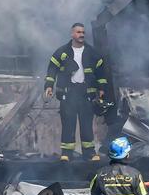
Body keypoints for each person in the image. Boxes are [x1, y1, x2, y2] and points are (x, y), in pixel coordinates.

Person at [44, 23, 109, 161]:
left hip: (86, 93)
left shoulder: (92, 53)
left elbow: (101, 72)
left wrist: (102, 89)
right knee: (68, 123)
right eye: (78, 32)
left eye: (83, 32)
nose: (82, 35)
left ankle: (89, 152)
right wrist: (49, 86)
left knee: (86, 124)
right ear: (72, 34)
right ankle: (67, 153)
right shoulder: (62, 52)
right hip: (68, 93)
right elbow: (52, 69)